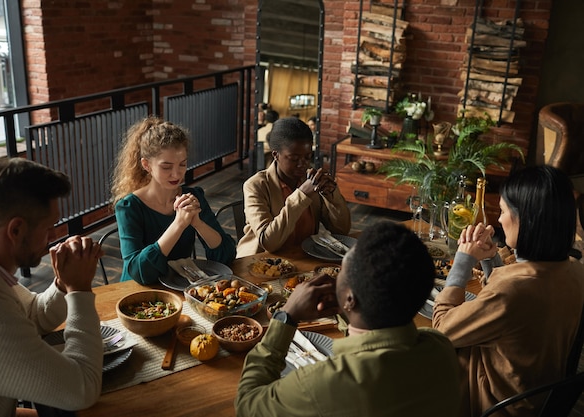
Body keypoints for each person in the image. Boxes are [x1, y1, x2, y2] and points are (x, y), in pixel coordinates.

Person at [235, 221, 462, 417]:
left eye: (342, 268)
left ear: (351, 297)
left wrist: (287, 317)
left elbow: (248, 404)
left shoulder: (319, 384)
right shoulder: (440, 349)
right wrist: (348, 311)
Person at [433, 165, 584, 417]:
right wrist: (491, 257)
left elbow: (442, 331)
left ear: (526, 219)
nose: (499, 220)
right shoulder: (574, 271)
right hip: (537, 398)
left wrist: (462, 260)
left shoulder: (513, 292)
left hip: (494, 405)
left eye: (503, 211)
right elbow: (515, 318)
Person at [0, 157, 104, 417]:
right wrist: (80, 291)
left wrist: (62, 284)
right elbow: (81, 390)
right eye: (48, 227)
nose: (53, 237)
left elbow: (34, 315)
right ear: (16, 230)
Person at [111, 116, 236, 284]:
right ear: (146, 165)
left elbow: (226, 256)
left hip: (180, 286)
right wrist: (179, 225)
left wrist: (198, 223)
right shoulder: (129, 207)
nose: (176, 174)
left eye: (182, 164)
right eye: (166, 167)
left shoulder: (193, 197)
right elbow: (139, 272)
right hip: (138, 293)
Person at [237, 117, 350, 257]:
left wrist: (332, 196)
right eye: (294, 159)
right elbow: (269, 243)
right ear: (276, 155)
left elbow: (342, 231)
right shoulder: (255, 186)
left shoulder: (311, 180)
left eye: (308, 157)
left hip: (302, 258)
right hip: (261, 264)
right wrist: (301, 195)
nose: (302, 164)